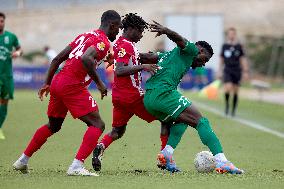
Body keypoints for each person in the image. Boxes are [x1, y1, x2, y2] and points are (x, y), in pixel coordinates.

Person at [12, 10, 121, 176]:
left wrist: (47, 83)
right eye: (118, 28)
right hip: (72, 85)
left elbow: (57, 59)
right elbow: (86, 58)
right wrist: (99, 83)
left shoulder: (84, 36)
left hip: (58, 81)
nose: (118, 32)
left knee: (54, 125)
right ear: (112, 25)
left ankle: (22, 160)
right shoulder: (103, 42)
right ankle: (76, 166)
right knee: (97, 124)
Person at [141, 21, 244, 174]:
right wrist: (166, 30)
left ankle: (167, 153)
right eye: (205, 59)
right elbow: (179, 38)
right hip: (163, 93)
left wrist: (118, 58)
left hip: (149, 99)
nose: (203, 64)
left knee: (183, 120)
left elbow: (147, 57)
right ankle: (222, 161)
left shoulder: (170, 55)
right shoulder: (191, 50)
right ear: (200, 50)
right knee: (201, 121)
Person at [91, 13, 169, 172]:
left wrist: (159, 58)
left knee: (118, 130)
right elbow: (119, 70)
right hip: (132, 96)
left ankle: (101, 146)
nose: (141, 35)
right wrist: (143, 67)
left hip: (119, 97)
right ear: (131, 29)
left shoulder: (122, 43)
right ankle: (164, 159)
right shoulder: (126, 45)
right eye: (140, 31)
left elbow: (137, 58)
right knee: (166, 117)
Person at [0, 12, 23, 140]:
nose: (0, 23)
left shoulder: (11, 37)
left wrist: (17, 53)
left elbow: (20, 49)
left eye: (2, 21)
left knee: (5, 102)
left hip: (7, 76)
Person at [218, 27, 249, 116]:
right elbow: (221, 59)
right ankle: (227, 106)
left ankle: (233, 110)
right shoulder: (225, 46)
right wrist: (219, 70)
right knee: (228, 88)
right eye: (229, 33)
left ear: (235, 35)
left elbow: (243, 59)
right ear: (228, 35)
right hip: (227, 69)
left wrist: (245, 71)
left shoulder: (239, 46)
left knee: (236, 91)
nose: (231, 35)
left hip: (237, 70)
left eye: (233, 33)